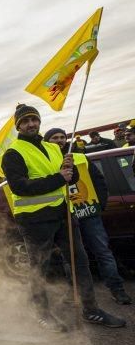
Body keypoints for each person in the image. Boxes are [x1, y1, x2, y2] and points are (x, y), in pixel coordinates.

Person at [0, 104, 125, 331]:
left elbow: (70, 178)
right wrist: (59, 177)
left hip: (62, 214)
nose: (31, 124)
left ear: (39, 122)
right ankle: (42, 314)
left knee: (80, 262)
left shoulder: (53, 147)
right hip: (34, 220)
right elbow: (19, 187)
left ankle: (91, 310)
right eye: (25, 121)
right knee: (40, 268)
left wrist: (70, 170)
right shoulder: (13, 152)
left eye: (34, 120)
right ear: (18, 125)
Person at [43, 128, 132, 305]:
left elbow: (99, 182)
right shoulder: (46, 162)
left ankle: (117, 290)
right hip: (65, 216)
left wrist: (100, 206)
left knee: (103, 253)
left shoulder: (80, 157)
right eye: (55, 138)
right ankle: (76, 294)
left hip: (90, 215)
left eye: (62, 137)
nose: (59, 140)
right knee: (70, 258)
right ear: (47, 141)